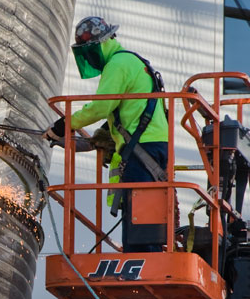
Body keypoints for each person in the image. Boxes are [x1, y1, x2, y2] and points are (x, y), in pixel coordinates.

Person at [43, 16, 168, 252]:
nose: (89, 58)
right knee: (147, 212)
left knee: (138, 216)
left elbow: (101, 106)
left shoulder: (117, 64)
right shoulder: (133, 62)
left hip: (143, 149)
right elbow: (124, 111)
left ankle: (139, 263)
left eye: (89, 51)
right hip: (154, 145)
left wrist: (63, 125)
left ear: (101, 43)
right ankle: (147, 256)